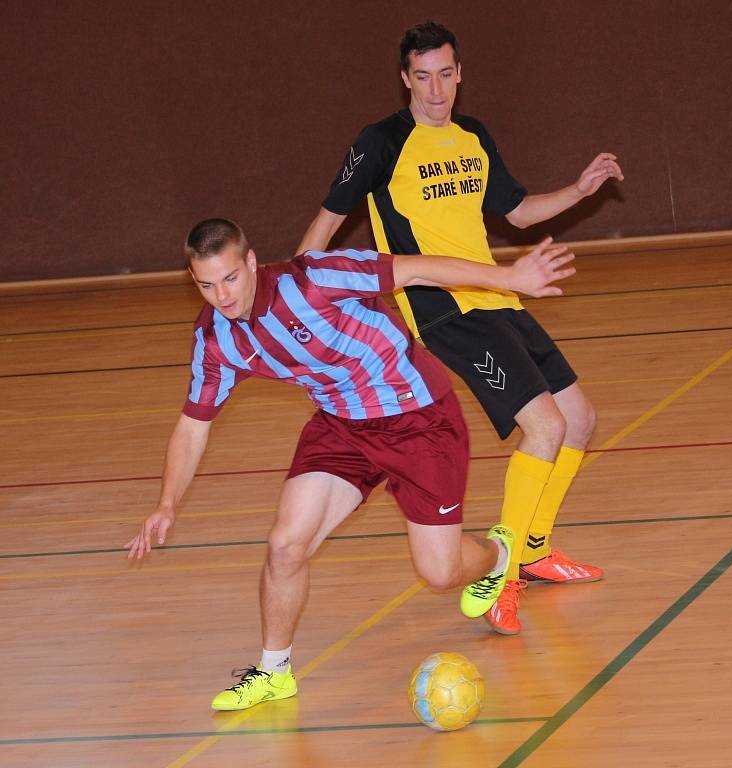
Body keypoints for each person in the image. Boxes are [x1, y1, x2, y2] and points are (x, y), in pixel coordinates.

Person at [125, 217, 575, 710]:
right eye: (206, 285)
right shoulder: (215, 339)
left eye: (230, 278)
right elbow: (193, 424)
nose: (222, 297)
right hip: (342, 424)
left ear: (251, 261)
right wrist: (166, 504)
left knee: (440, 574)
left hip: (419, 419)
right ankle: (274, 670)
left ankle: (497, 557)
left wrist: (510, 278)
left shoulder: (315, 278)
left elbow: (418, 270)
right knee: (285, 545)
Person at [296, 20, 624, 636]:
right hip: (442, 310)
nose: (437, 89)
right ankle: (500, 575)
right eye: (423, 77)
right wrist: (301, 300)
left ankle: (532, 550)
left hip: (498, 296)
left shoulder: (472, 136)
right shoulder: (380, 143)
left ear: (460, 73)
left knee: (579, 419)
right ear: (405, 80)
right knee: (545, 425)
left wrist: (579, 190)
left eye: (446, 74)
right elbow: (322, 233)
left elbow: (518, 212)